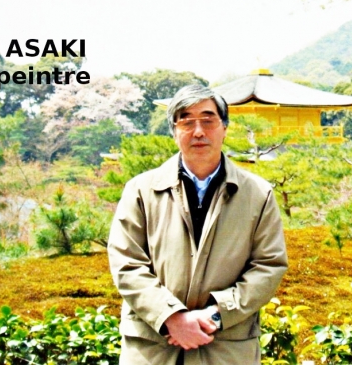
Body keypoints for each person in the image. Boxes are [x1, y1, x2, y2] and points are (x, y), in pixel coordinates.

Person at [107, 84, 288, 365]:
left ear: (224, 128)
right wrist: (171, 317)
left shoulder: (257, 194)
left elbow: (268, 266)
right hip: (154, 349)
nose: (199, 131)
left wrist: (217, 314)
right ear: (174, 131)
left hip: (225, 349)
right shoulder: (141, 190)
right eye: (187, 121)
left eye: (208, 120)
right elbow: (126, 263)